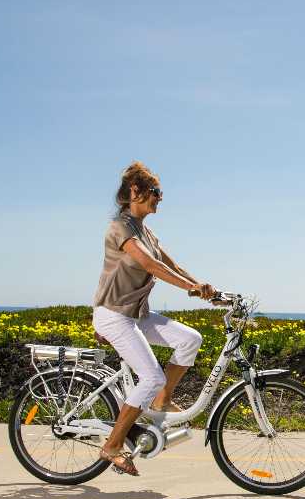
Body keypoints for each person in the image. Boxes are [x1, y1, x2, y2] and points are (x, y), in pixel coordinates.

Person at [91, 161, 218, 476]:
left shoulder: (147, 232)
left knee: (190, 339)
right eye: (156, 192)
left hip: (136, 314)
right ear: (135, 191)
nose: (160, 197)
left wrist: (207, 291)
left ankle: (161, 402)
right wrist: (190, 287)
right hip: (113, 315)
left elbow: (171, 265)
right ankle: (113, 445)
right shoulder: (120, 227)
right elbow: (149, 265)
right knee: (151, 376)